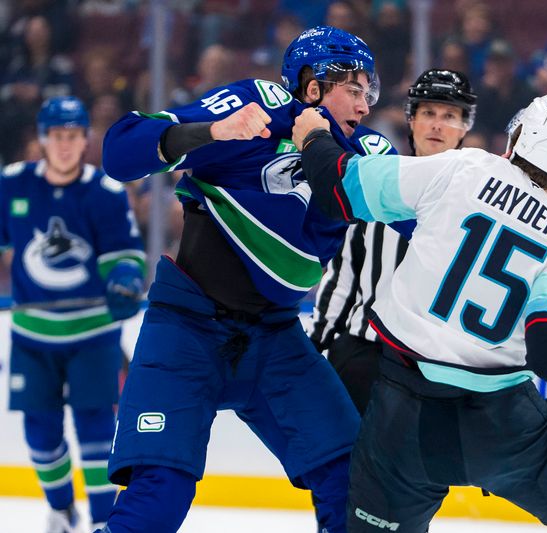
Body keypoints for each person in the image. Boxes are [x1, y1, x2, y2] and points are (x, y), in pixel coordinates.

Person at [292, 92, 547, 533]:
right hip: (504, 424)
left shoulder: (463, 167)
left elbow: (340, 186)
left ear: (518, 135)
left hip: (402, 416)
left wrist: (315, 136)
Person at [97, 26, 395, 533]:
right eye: (355, 88)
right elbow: (120, 152)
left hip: (276, 340)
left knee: (353, 484)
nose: (366, 106)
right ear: (313, 85)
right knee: (157, 498)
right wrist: (212, 132)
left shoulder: (368, 152)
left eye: (371, 92)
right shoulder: (253, 104)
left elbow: (424, 216)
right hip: (185, 332)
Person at [1, 96, 145, 532]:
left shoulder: (104, 192)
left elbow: (124, 255)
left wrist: (123, 279)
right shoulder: (12, 184)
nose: (65, 145)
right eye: (57, 136)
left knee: (98, 433)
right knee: (41, 437)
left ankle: (104, 522)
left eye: (73, 136)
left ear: (84, 140)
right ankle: (61, 509)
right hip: (32, 335)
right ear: (42, 139)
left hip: (92, 335)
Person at [310, 68, 477, 415]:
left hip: (437, 371)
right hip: (362, 358)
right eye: (428, 113)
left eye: (449, 116)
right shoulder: (379, 181)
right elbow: (344, 277)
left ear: (464, 128)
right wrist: (316, 348)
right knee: (341, 465)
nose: (436, 124)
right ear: (411, 120)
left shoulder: (480, 204)